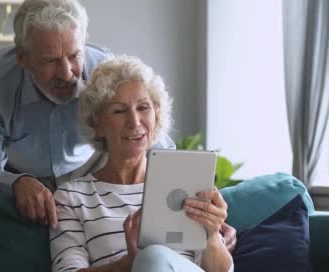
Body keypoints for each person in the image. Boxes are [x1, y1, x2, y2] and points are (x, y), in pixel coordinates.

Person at [0, 0, 177, 228]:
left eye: (74, 56)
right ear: (22, 58)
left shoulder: (105, 69)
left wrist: (199, 217)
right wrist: (15, 183)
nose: (66, 73)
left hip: (95, 171)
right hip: (23, 178)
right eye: (50, 61)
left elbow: (154, 142)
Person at [50, 56, 233, 272]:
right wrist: (127, 264)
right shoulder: (72, 197)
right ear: (96, 124)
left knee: (153, 257)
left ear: (156, 116)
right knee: (151, 258)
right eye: (119, 110)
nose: (135, 122)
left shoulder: (186, 184)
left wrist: (211, 236)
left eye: (143, 107)